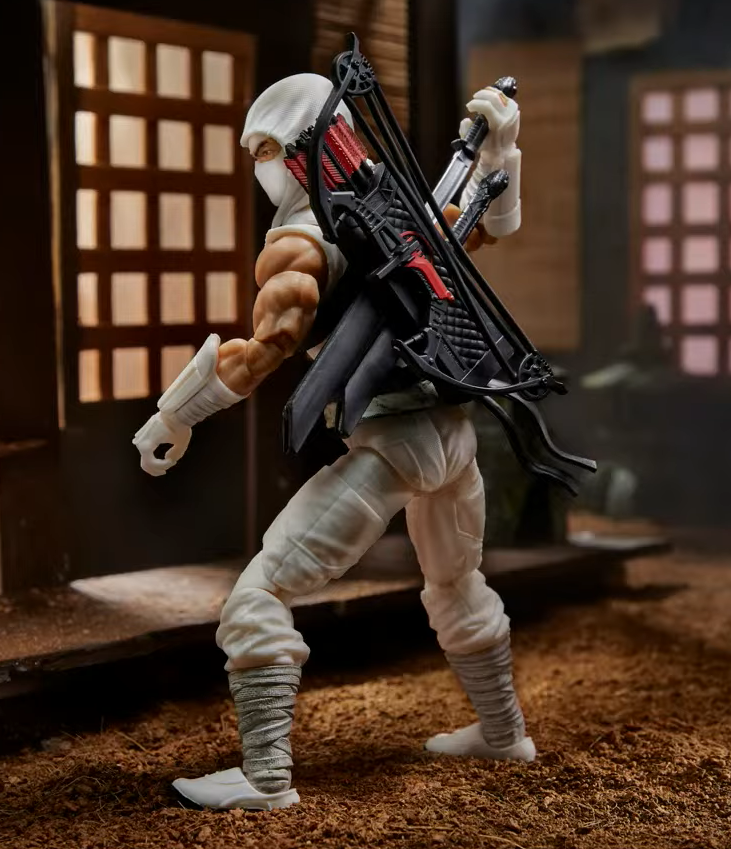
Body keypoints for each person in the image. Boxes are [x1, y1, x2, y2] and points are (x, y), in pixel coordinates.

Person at [133, 72, 534, 812]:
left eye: (261, 153)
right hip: (454, 440)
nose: (258, 167)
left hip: (391, 447)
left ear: (285, 154)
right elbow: (488, 226)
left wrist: (175, 413)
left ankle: (264, 778)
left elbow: (266, 349)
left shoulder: (300, 243)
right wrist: (500, 152)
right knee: (457, 583)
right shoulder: (402, 210)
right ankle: (503, 731)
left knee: (258, 595)